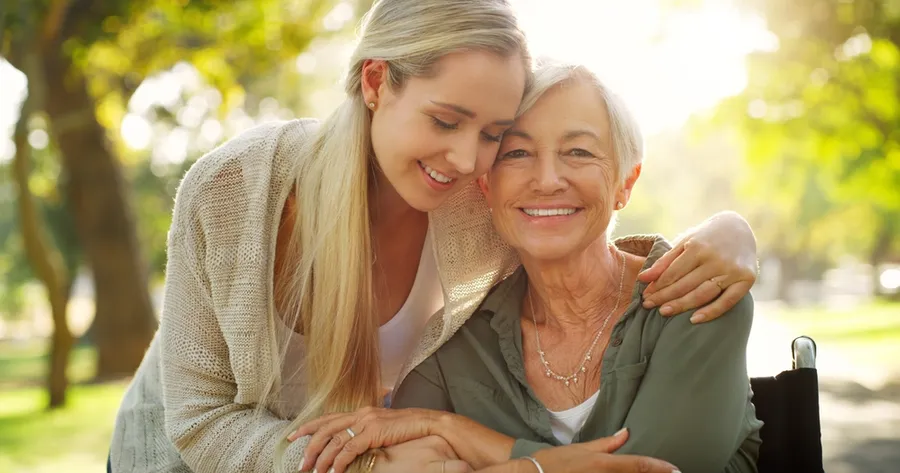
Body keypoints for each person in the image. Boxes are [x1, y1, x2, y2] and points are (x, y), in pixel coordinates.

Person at [108, 1, 759, 472]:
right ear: (374, 82)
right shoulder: (233, 188)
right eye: (446, 119)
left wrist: (729, 231)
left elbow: (571, 220)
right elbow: (199, 418)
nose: (466, 157)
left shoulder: (479, 207)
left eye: (493, 134)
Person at [291, 62, 762, 473]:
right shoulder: (453, 346)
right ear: (485, 186)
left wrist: (452, 429)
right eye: (517, 153)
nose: (548, 179)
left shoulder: (699, 295)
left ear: (625, 182)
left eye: (578, 151)